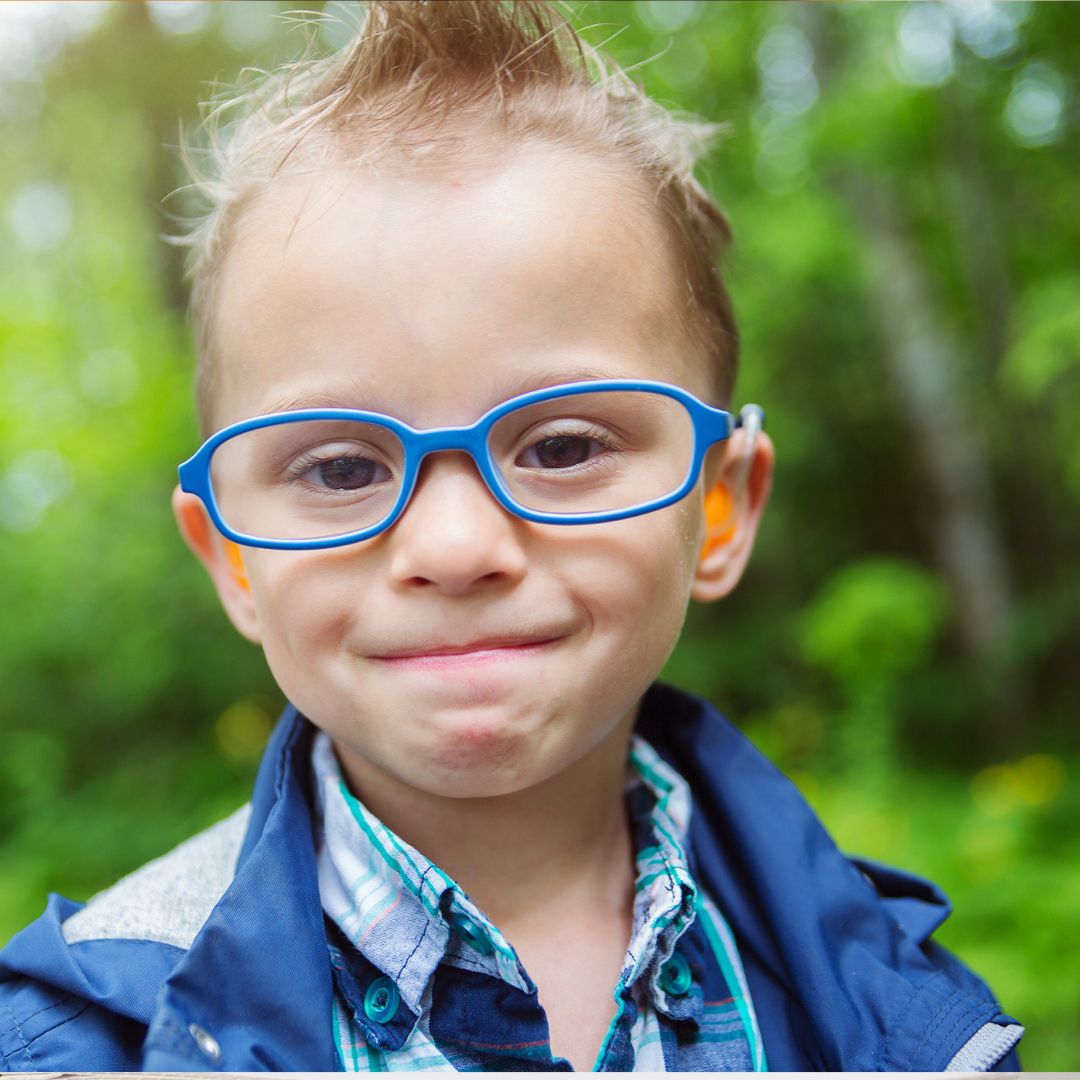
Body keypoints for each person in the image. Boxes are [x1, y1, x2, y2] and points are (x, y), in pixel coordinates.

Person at [0, 1, 1022, 1072]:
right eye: (342, 468)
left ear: (717, 507)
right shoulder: (81, 1039)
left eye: (565, 446)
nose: (453, 545)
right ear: (234, 560)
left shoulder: (896, 1006)